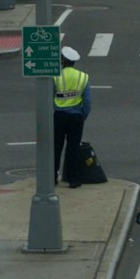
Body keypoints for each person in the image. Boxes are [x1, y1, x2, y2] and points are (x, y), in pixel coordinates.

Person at [53, 47, 90, 189]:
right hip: (76, 117)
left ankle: (53, 177)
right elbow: (87, 102)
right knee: (73, 148)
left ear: (63, 60)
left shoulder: (56, 76)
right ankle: (73, 179)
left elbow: (50, 96)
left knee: (56, 147)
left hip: (59, 116)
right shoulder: (83, 77)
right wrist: (82, 115)